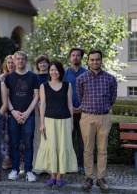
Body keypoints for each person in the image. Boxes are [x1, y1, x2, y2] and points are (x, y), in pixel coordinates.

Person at [77, 50, 117, 191]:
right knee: (87, 149)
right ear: (88, 61)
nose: (95, 62)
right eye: (92, 60)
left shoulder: (110, 79)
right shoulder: (81, 79)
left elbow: (112, 98)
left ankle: (101, 178)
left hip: (104, 117)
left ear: (101, 60)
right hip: (87, 116)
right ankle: (88, 177)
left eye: (97, 59)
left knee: (102, 149)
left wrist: (103, 109)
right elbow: (81, 97)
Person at [35, 61, 78, 187]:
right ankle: (52, 175)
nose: (54, 72)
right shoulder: (44, 86)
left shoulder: (67, 85)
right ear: (49, 71)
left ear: (60, 72)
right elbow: (42, 105)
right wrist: (42, 123)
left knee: (62, 147)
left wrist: (71, 122)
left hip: (64, 120)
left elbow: (70, 104)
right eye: (51, 70)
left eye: (56, 70)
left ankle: (59, 176)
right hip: (49, 121)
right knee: (51, 147)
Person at [4, 51, 40, 182]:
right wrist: (13, 111)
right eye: (17, 59)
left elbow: (37, 96)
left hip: (29, 115)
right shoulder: (9, 77)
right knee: (14, 144)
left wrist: (27, 112)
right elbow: (6, 96)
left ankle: (29, 171)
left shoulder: (33, 77)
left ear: (26, 60)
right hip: (13, 115)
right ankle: (15, 170)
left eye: (22, 59)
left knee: (28, 144)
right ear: (14, 61)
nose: (20, 61)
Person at [63, 47, 87, 175]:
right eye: (73, 55)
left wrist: (82, 107)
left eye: (78, 55)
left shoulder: (87, 73)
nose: (75, 58)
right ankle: (70, 165)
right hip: (69, 113)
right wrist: (69, 107)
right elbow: (62, 92)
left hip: (84, 113)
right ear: (70, 57)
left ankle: (82, 165)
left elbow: (90, 93)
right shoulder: (66, 73)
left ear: (81, 58)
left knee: (82, 142)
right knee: (69, 141)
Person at [32, 54, 49, 174]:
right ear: (37, 65)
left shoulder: (53, 76)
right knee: (38, 138)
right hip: (37, 110)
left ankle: (49, 166)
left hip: (51, 110)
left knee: (49, 138)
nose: (42, 65)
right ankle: (38, 166)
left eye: (44, 62)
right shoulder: (35, 78)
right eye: (40, 63)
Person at [0, 54, 15, 170]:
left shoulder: (20, 76)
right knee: (5, 137)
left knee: (16, 137)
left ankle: (17, 161)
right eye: (9, 62)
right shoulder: (1, 78)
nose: (11, 64)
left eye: (12, 62)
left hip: (17, 110)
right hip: (5, 111)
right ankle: (6, 161)